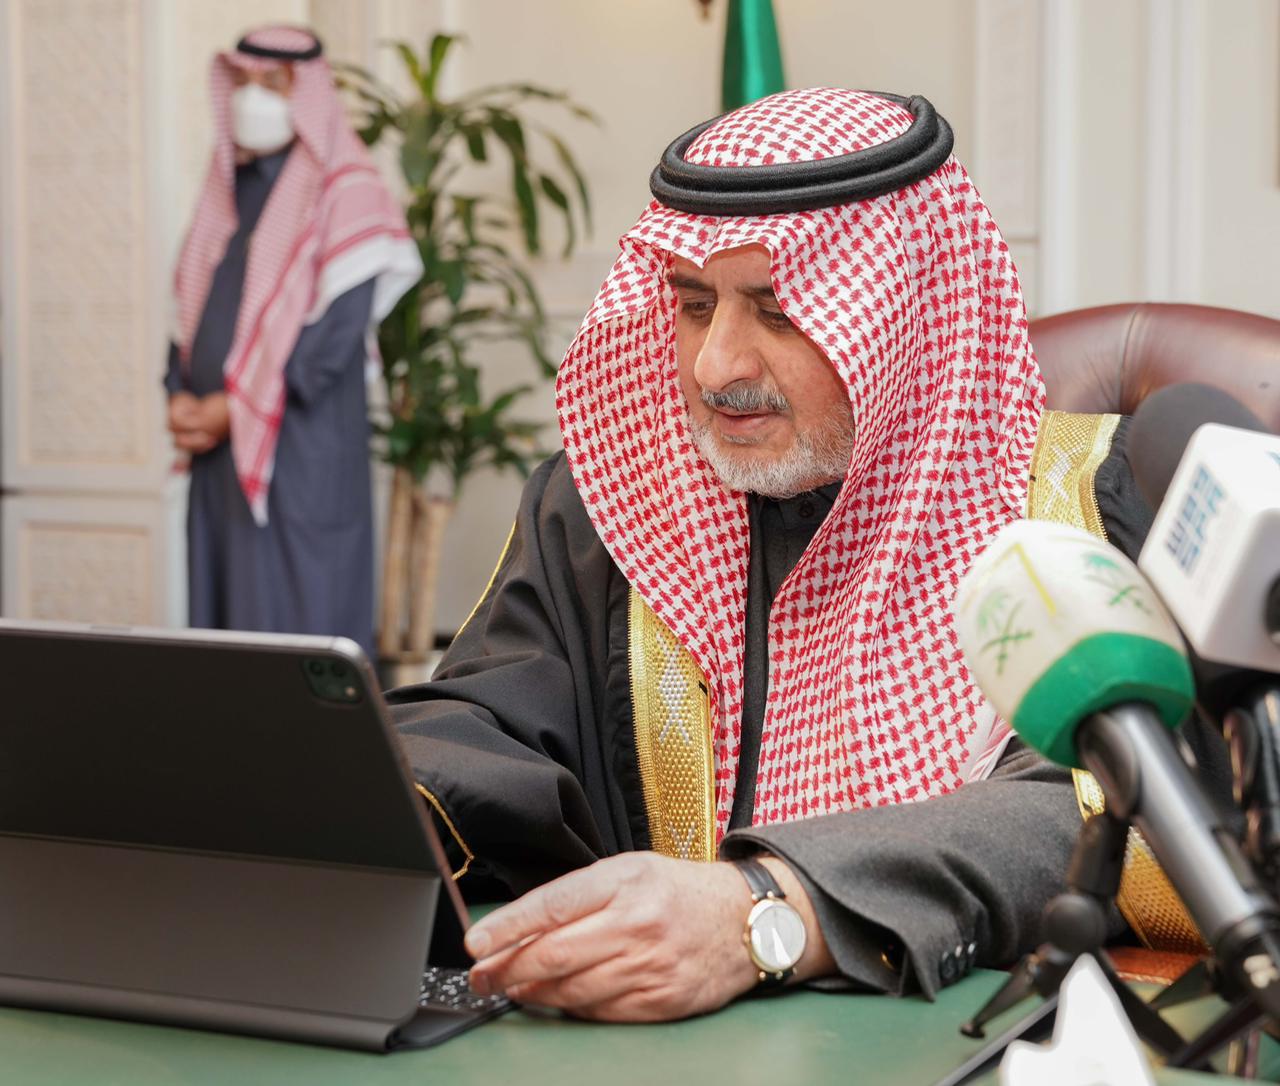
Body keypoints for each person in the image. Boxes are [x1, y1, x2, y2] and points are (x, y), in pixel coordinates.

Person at [387, 88, 1161, 1022]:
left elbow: (1093, 802)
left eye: (781, 313)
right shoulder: (616, 498)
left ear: (903, 322)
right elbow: (487, 723)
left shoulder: (1085, 497)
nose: (716, 367)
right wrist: (364, 795)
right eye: (692, 305)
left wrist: (770, 907)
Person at [165, 26, 421, 658]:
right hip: (219, 458)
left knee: (296, 634)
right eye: (243, 81)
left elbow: (330, 345)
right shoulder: (231, 189)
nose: (252, 98)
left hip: (301, 455)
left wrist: (233, 408)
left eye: (272, 84)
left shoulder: (351, 193)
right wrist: (178, 391)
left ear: (307, 94)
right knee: (223, 632)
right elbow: (191, 304)